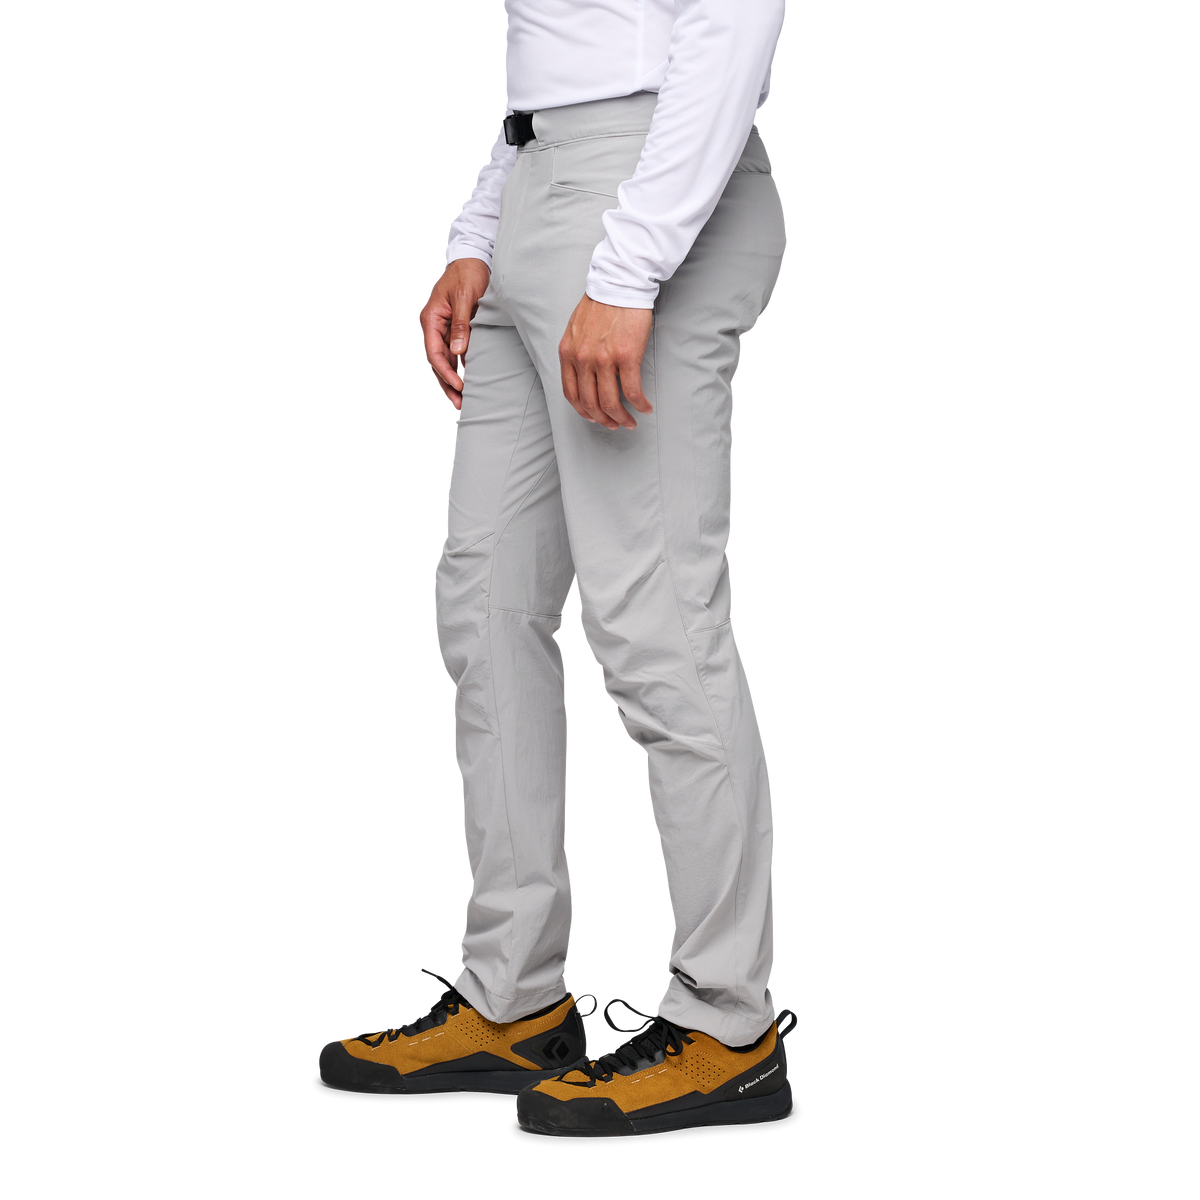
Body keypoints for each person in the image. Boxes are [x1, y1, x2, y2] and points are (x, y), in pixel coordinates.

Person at [317, 0, 797, 1135]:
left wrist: (628, 270)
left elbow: (730, 25)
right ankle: (514, 994)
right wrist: (474, 237)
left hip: (651, 192)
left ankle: (730, 1022)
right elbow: (549, 65)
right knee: (483, 610)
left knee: (656, 623)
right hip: (533, 181)